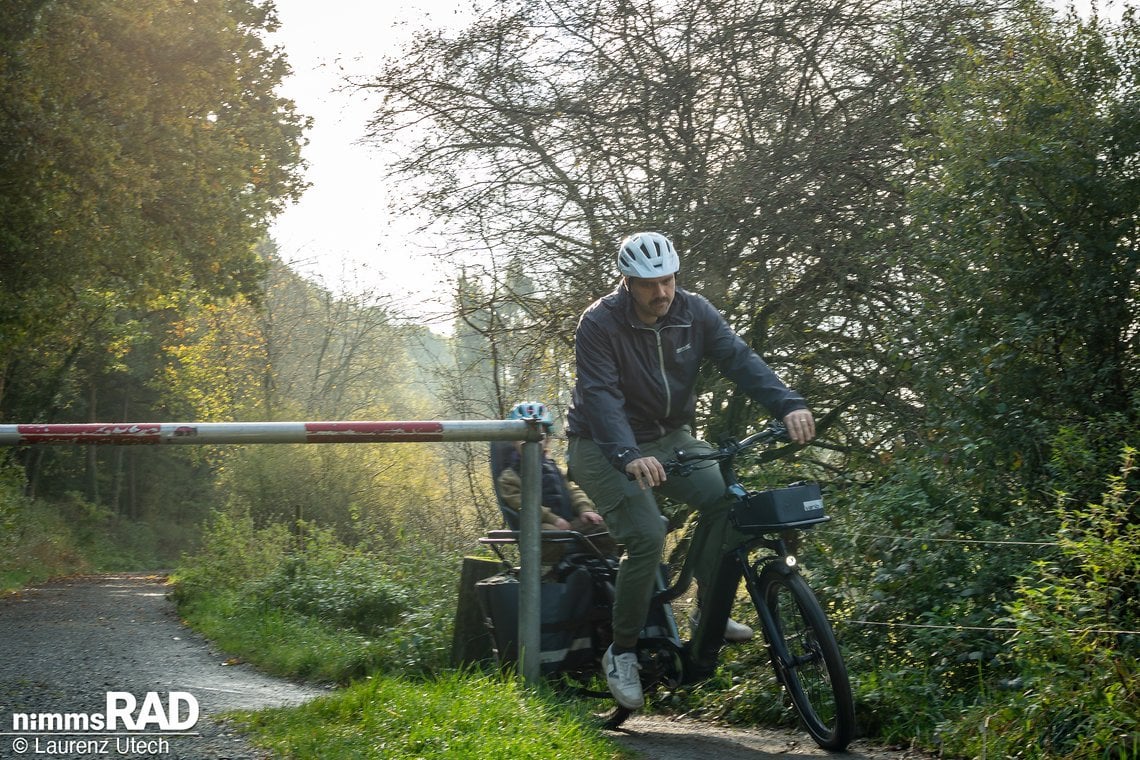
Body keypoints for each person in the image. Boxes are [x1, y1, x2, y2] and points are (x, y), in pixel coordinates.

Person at [566, 231, 816, 710]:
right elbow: (599, 396)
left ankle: (711, 610)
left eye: (668, 280)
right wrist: (626, 453)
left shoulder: (694, 311)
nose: (662, 293)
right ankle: (621, 652)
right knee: (645, 535)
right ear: (627, 282)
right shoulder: (599, 323)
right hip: (600, 444)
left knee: (728, 503)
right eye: (648, 285)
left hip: (670, 436)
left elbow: (739, 359)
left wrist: (787, 404)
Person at [496, 401, 617, 561]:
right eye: (522, 437)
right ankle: (547, 571)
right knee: (551, 536)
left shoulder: (552, 467)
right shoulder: (510, 477)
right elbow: (523, 506)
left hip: (568, 523)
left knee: (603, 529)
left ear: (546, 440)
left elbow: (572, 490)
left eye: (539, 436)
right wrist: (554, 519)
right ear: (513, 441)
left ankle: (604, 566)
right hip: (540, 525)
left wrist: (584, 509)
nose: (531, 441)